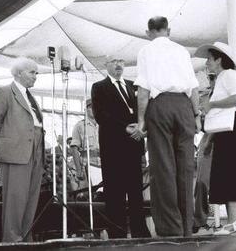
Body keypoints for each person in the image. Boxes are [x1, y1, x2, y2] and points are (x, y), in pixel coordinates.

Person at [133, 16, 201, 237]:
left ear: (148, 32)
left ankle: (171, 229)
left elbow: (143, 89)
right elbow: (193, 87)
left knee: (163, 168)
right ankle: (187, 228)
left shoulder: (146, 51)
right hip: (184, 106)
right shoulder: (181, 51)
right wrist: (197, 115)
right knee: (186, 168)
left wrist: (142, 120)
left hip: (160, 106)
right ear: (168, 30)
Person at [195, 42, 236, 235]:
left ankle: (233, 221)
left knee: (228, 170)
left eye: (209, 59)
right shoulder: (226, 75)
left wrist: (211, 104)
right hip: (233, 127)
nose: (207, 62)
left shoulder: (228, 74)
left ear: (219, 59)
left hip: (231, 127)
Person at [91, 55, 150, 238]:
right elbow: (100, 115)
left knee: (135, 192)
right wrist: (124, 127)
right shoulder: (99, 87)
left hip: (134, 145)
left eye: (121, 61)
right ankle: (117, 233)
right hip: (113, 148)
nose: (118, 65)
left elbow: (144, 109)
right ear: (106, 65)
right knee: (115, 193)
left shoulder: (133, 85)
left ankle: (140, 232)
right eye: (114, 62)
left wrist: (141, 129)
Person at [0, 57, 44, 242]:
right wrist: (5, 146)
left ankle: (26, 238)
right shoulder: (3, 92)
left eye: (37, 72)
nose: (36, 76)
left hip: (35, 148)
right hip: (16, 151)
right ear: (19, 73)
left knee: (31, 197)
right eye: (32, 72)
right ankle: (12, 240)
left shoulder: (30, 96)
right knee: (15, 199)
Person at [193, 74, 216, 233]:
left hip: (226, 143)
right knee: (201, 183)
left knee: (231, 184)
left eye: (213, 77)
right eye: (210, 78)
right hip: (207, 145)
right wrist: (201, 118)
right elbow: (200, 126)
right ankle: (200, 221)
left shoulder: (233, 93)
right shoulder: (205, 97)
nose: (211, 80)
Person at [69, 99, 100, 185]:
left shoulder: (104, 125)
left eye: (96, 107)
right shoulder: (79, 126)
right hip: (87, 165)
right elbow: (74, 149)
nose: (94, 109)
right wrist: (79, 170)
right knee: (86, 194)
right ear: (85, 109)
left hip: (102, 165)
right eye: (91, 107)